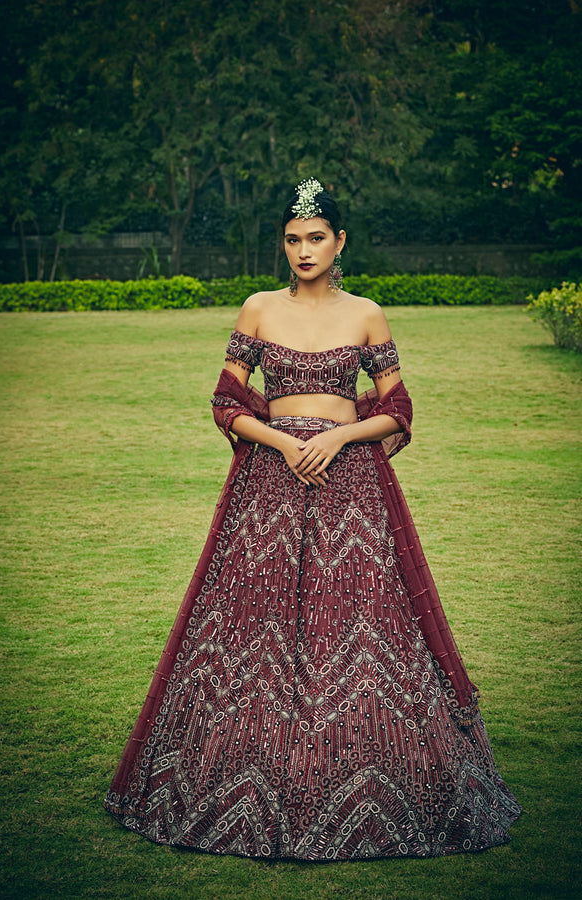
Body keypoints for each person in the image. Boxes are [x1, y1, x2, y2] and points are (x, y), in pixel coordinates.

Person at [104, 178, 521, 860]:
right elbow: (226, 403)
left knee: (360, 622)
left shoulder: (367, 315)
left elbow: (397, 409)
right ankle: (239, 768)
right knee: (252, 625)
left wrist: (338, 437)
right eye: (293, 240)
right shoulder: (259, 309)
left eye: (316, 238)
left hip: (351, 482)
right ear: (284, 244)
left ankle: (371, 770)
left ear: (340, 242)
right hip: (268, 481)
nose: (304, 251)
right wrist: (284, 441)